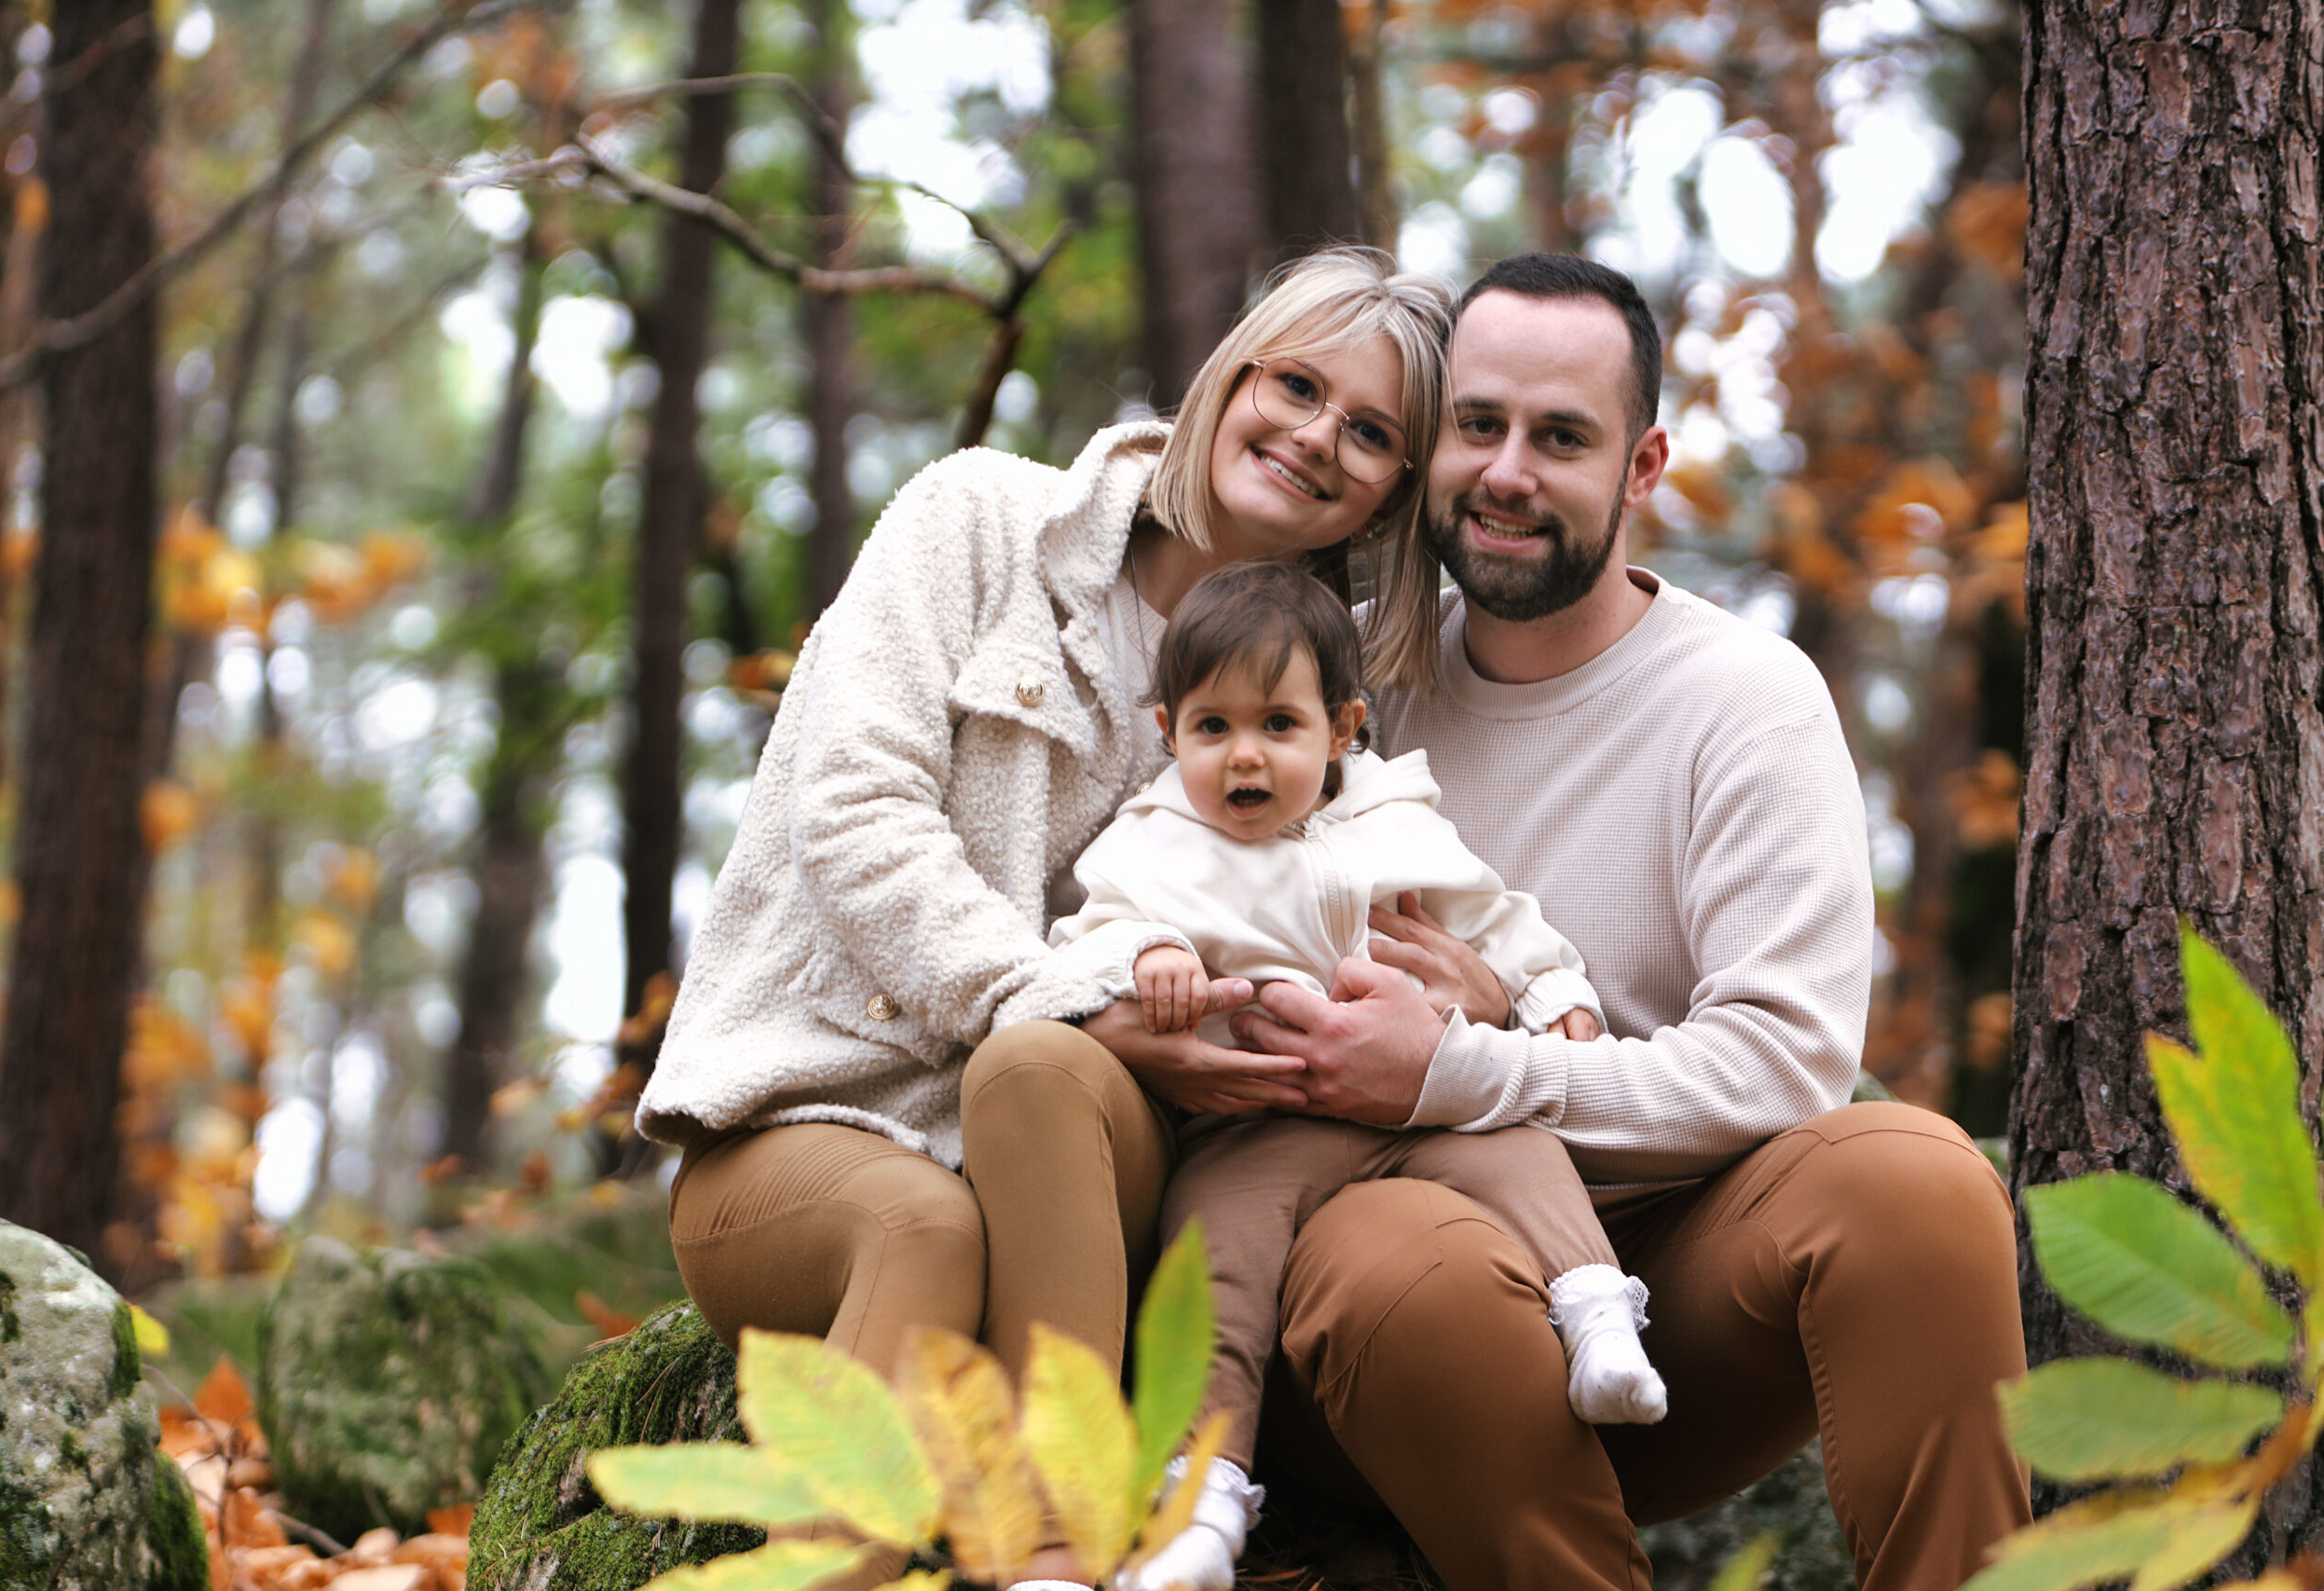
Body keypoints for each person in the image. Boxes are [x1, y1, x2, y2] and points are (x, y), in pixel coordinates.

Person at [1085, 254, 2031, 1591]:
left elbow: (1783, 1064)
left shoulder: (1744, 699)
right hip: (1361, 1309)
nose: (1506, 472)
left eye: (1561, 437)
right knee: (1404, 1264)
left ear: (1641, 467)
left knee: (1916, 1181)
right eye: (1476, 426)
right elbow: (1181, 903)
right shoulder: (1341, 684)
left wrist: (1469, 1060)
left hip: (1653, 1298)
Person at [636, 248, 1455, 1586]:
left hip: (1099, 1158)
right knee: (927, 1219)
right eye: (1297, 384)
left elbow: (1368, 924)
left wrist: (1475, 980)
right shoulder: (977, 521)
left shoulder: (1345, 700)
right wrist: (1069, 1000)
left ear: (1394, 492)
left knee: (1036, 1070)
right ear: (1229, 376)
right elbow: (854, 806)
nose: (1317, 437)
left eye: (1371, 432)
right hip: (811, 1119)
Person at [1046, 557, 1663, 1591]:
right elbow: (1083, 944)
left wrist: (1556, 994)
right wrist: (1143, 957)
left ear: (1341, 730)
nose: (1243, 757)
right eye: (1212, 729)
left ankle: (1599, 1316)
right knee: (1214, 1265)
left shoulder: (1397, 820)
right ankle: (1202, 1500)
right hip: (1263, 1121)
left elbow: (1492, 919)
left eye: (1277, 727)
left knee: (1524, 1153)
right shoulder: (1150, 846)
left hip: (1425, 1110)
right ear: (1167, 732)